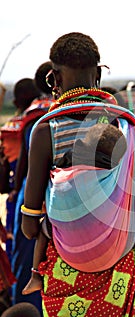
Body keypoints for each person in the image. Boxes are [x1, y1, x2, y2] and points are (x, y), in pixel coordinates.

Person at [21, 32, 135, 317]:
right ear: (98, 74)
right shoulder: (126, 124)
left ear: (55, 79)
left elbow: (28, 227)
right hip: (123, 272)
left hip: (67, 274)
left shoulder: (45, 130)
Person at [22, 122, 135, 309]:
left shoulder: (65, 171)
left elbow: (41, 212)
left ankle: (35, 275)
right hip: (117, 255)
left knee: (46, 228)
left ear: (82, 147)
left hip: (69, 253)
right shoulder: (121, 180)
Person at [9, 62, 54, 313]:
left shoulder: (32, 118)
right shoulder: (64, 111)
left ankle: (25, 310)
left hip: (32, 195)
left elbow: (25, 166)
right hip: (61, 193)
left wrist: (18, 194)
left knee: (26, 259)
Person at [0, 78, 41, 262]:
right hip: (38, 192)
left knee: (15, 242)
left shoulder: (10, 129)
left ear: (15, 102)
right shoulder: (44, 119)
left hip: (20, 191)